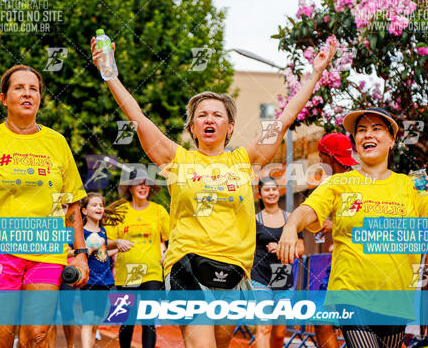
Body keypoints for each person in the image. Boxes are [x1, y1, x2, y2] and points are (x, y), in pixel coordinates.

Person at [91, 35, 337, 347]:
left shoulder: (245, 160)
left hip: (234, 272)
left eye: (217, 114)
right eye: (202, 115)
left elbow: (285, 119)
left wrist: (314, 75)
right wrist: (109, 72)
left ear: (230, 126)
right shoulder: (176, 159)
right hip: (187, 265)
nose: (209, 119)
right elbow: (137, 119)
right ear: (192, 127)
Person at [278, 108, 428, 348]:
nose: (367, 135)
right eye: (361, 131)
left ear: (392, 140)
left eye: (376, 129)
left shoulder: (410, 185)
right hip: (351, 294)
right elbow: (307, 211)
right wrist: (291, 226)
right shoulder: (339, 183)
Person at [0, 65, 89, 348]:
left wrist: (82, 253)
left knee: (36, 336)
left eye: (33, 88)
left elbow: (71, 204)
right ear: (4, 98)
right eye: (19, 88)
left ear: (40, 98)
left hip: (47, 249)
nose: (27, 93)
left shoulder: (57, 142)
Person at [105, 167, 170, 348]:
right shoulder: (119, 211)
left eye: (146, 183)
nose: (143, 187)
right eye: (138, 184)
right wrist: (117, 242)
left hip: (152, 272)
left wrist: (168, 255)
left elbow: (173, 237)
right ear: (130, 188)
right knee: (127, 320)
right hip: (127, 272)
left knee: (148, 320)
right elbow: (105, 240)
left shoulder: (159, 211)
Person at [314, 133, 358, 348]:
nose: (319, 162)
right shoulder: (331, 183)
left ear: (330, 157)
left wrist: (334, 225)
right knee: (322, 321)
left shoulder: (356, 184)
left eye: (321, 156)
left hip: (361, 269)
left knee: (376, 332)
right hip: (339, 266)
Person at [251, 176, 304, 348]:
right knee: (264, 327)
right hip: (260, 276)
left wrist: (283, 247)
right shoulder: (254, 220)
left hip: (282, 275)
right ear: (260, 194)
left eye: (274, 189)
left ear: (278, 191)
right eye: (267, 190)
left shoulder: (291, 219)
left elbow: (301, 248)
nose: (271, 193)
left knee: (279, 334)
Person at [77, 192, 118, 348]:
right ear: (85, 211)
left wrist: (118, 248)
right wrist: (90, 247)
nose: (99, 207)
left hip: (105, 280)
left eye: (100, 205)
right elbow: (79, 256)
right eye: (94, 205)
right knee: (88, 319)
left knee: (96, 321)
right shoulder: (81, 232)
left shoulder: (103, 231)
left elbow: (104, 253)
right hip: (89, 280)